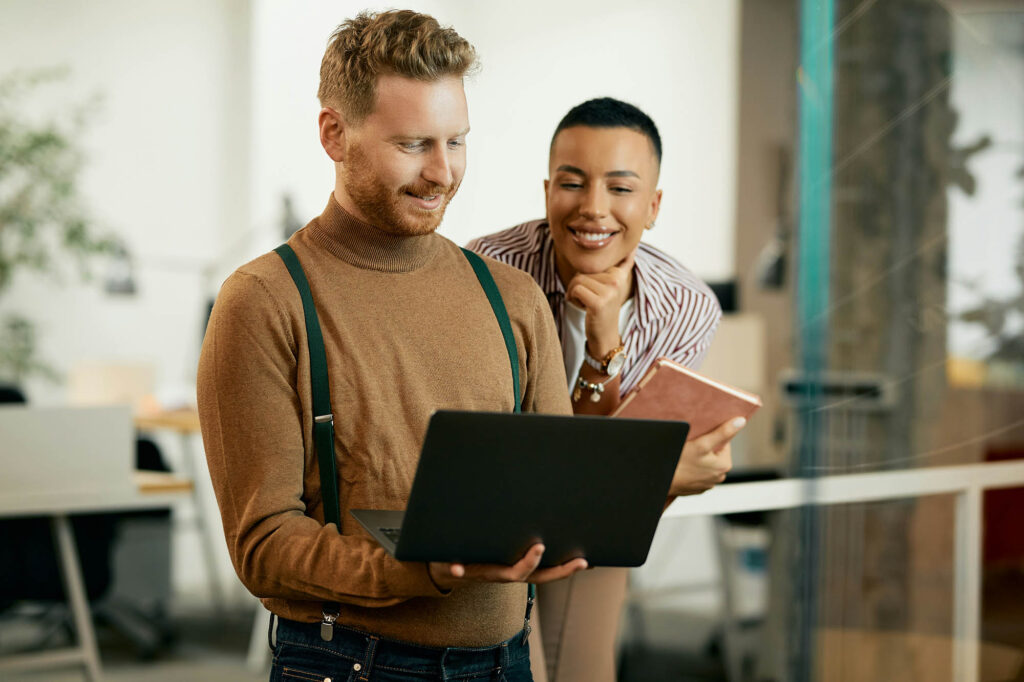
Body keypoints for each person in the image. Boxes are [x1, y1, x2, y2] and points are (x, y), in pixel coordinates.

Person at [196, 11, 587, 681]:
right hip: (351, 664)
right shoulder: (264, 300)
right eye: (413, 144)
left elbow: (555, 491)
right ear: (334, 134)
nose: (442, 173)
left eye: (456, 141)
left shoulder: (512, 299)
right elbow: (261, 542)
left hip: (506, 664)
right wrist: (416, 570)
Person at [468, 97, 747, 681]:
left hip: (589, 531)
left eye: (620, 189)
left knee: (586, 668)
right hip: (486, 517)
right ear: (547, 192)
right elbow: (496, 454)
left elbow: (616, 493)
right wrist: (659, 473)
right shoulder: (486, 273)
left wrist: (603, 345)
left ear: (654, 205)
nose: (593, 209)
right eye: (573, 183)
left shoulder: (685, 307)